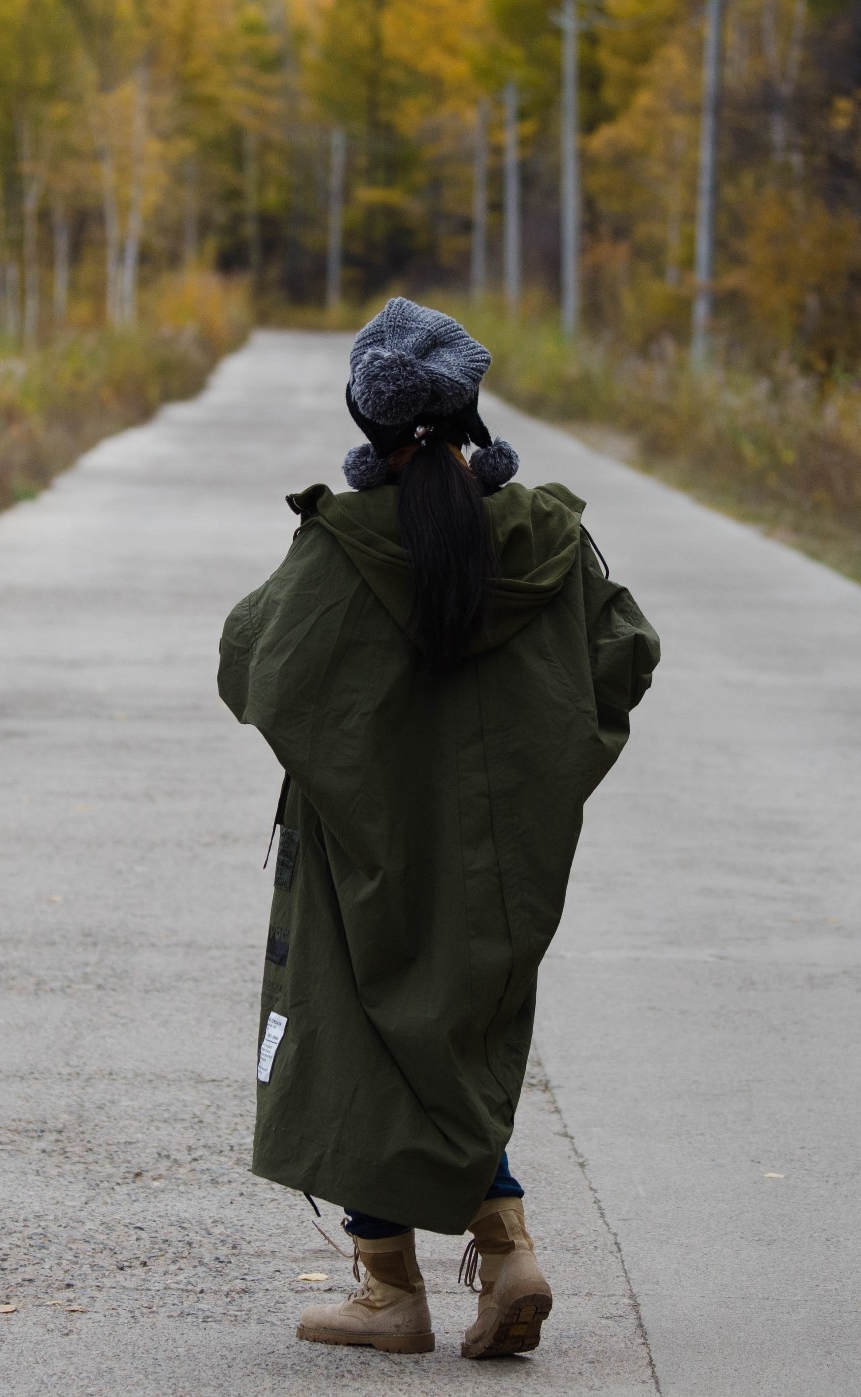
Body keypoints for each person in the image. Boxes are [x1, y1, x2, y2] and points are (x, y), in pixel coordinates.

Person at [218, 299, 660, 1359]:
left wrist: (352, 756)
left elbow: (252, 664)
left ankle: (388, 1290)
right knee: (454, 1038)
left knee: (367, 1038)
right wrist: (541, 760)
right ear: (471, 411)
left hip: (366, 842)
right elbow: (623, 655)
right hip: (501, 852)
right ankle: (507, 1252)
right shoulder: (545, 534)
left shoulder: (343, 541)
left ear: (368, 424)